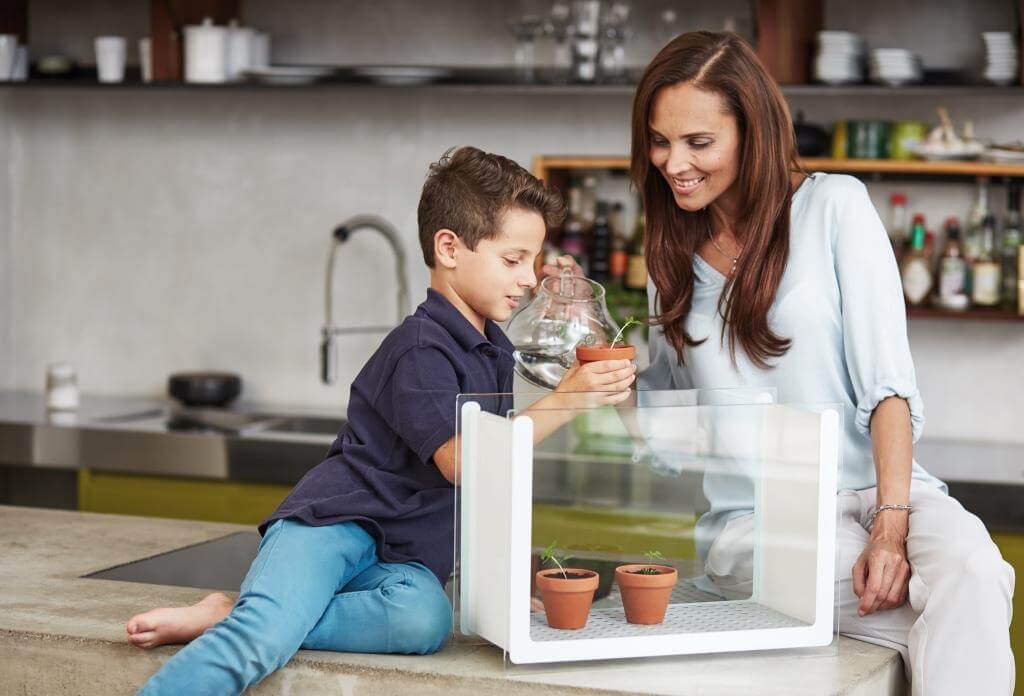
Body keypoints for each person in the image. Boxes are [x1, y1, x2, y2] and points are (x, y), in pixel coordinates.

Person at [543, 32, 1014, 696]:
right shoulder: (671, 260)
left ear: (752, 132)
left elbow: (889, 387)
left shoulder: (833, 208)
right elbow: (671, 434)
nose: (672, 162)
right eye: (658, 140)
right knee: (953, 606)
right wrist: (587, 333)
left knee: (975, 567)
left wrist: (891, 522)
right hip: (758, 522)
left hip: (884, 492)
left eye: (698, 143)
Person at [126, 146, 636, 695]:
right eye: (513, 260)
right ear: (449, 248)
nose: (528, 278)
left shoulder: (491, 348)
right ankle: (256, 621)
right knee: (260, 641)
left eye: (534, 261)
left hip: (402, 559)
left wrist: (507, 581)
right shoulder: (419, 347)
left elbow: (497, 467)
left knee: (424, 622)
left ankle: (243, 611)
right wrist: (567, 400)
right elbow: (464, 462)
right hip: (333, 525)